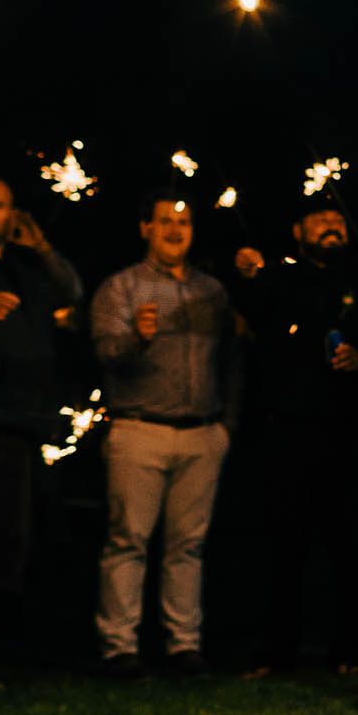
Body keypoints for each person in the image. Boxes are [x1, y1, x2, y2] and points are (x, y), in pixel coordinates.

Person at [233, 200, 358, 672]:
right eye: (321, 221)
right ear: (298, 230)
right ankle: (277, 652)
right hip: (288, 426)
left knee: (350, 543)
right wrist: (247, 274)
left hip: (349, 429)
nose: (332, 227)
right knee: (285, 543)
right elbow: (252, 319)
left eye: (339, 221)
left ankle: (350, 653)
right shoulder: (277, 276)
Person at [92, 194, 238, 677]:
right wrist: (138, 338)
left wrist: (226, 426)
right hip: (140, 428)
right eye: (165, 222)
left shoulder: (213, 292)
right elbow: (106, 353)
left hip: (201, 432)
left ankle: (183, 645)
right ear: (145, 229)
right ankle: (120, 648)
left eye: (184, 221)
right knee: (128, 540)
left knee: (188, 545)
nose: (175, 230)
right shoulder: (121, 287)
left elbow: (234, 358)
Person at [0, 175, 83, 696]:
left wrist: (43, 247)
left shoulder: (27, 265)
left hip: (22, 421)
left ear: (14, 215)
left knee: (2, 547)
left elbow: (72, 294)